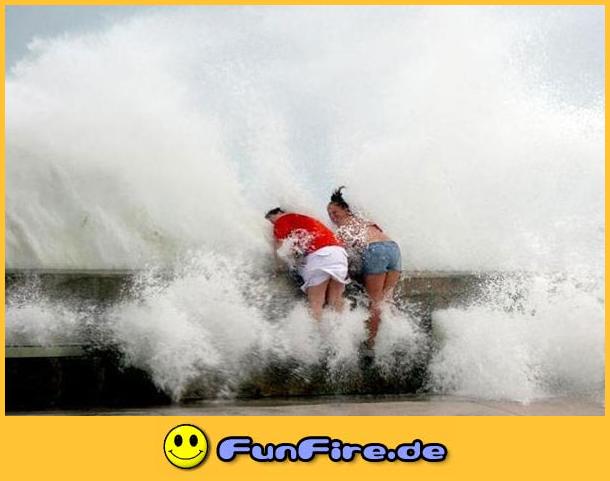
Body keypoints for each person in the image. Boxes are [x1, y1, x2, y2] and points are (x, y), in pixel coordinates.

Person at [327, 187, 402, 347]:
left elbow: (343, 254)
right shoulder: (364, 220)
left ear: (346, 210)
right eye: (329, 214)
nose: (332, 217)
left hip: (375, 250)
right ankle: (396, 341)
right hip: (393, 248)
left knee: (375, 301)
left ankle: (371, 344)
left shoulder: (343, 227)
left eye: (334, 212)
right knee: (387, 299)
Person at [265, 207, 349, 320]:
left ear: (279, 213)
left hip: (320, 256)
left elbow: (279, 247)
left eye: (271, 220)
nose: (272, 224)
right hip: (339, 253)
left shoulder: (281, 220)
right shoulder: (304, 219)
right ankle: (341, 329)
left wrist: (279, 268)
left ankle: (317, 331)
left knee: (316, 303)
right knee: (336, 301)